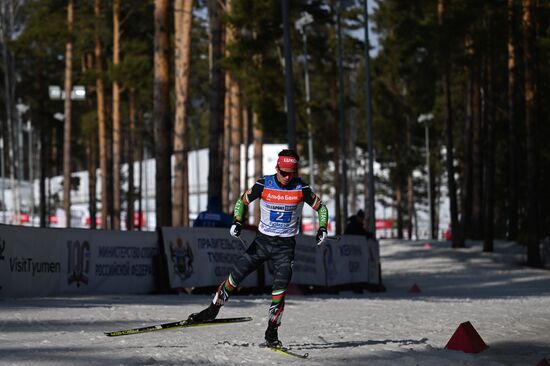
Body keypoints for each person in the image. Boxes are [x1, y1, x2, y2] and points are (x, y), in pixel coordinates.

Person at [187, 149, 329, 347]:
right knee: (235, 276)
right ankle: (212, 309)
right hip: (262, 242)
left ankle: (272, 332)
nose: (287, 177)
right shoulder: (264, 184)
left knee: (279, 290)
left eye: (291, 173)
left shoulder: (302, 188)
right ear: (276, 168)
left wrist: (322, 228)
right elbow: (241, 201)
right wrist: (237, 221)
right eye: (283, 172)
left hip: (285, 247)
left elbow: (321, 208)